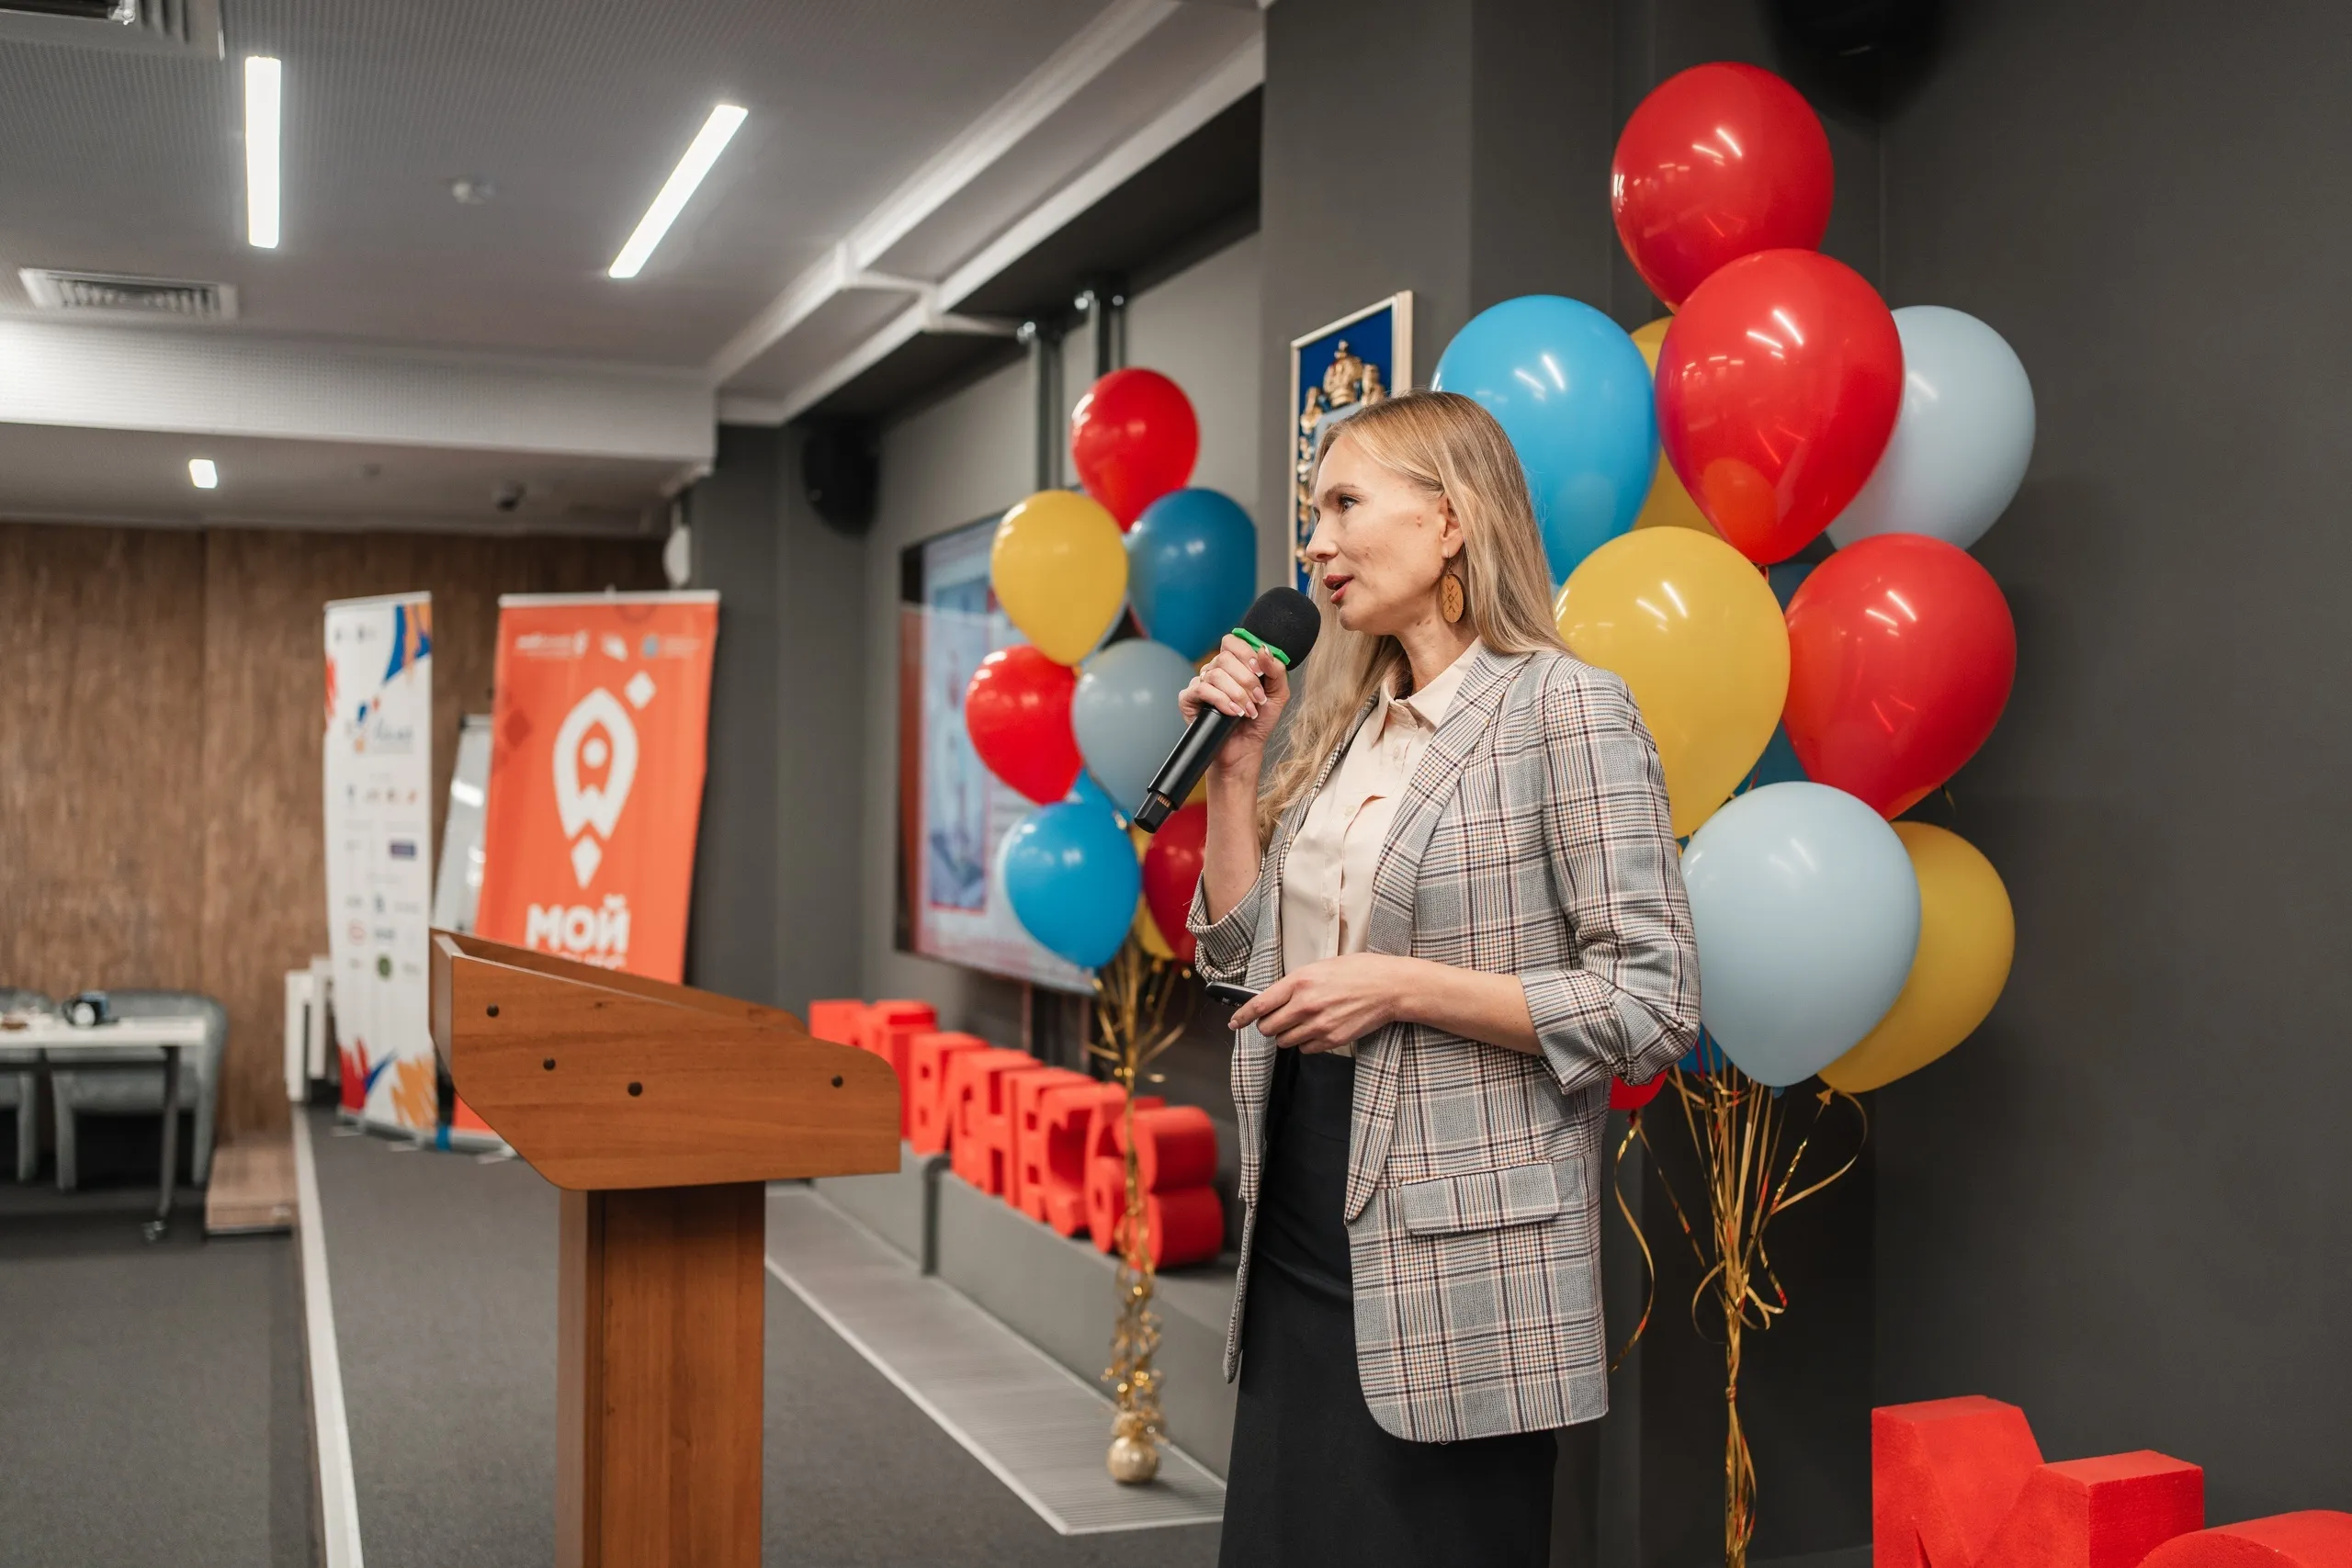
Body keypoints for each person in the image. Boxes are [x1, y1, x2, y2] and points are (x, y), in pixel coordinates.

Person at [1182, 390, 1700, 1567]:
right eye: (1314, 515)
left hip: (1462, 1250)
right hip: (1299, 1207)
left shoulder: (1565, 707)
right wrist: (1236, 775)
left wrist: (1401, 986)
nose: (1316, 544)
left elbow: (1653, 1002)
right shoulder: (1348, 726)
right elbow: (1240, 965)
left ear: (1451, 519)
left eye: (1343, 506)